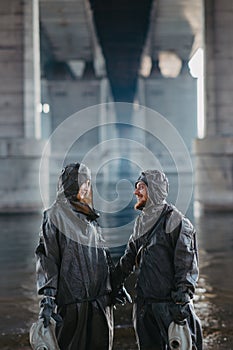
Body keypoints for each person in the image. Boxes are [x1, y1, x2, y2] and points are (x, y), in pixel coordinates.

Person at [112, 169, 203, 350]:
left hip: (168, 306)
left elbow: (186, 265)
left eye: (141, 187)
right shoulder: (141, 222)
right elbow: (129, 257)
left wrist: (182, 301)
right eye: (136, 187)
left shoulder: (176, 221)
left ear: (153, 190)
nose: (136, 192)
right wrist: (113, 283)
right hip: (145, 306)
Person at [36, 162, 116, 350]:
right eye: (83, 183)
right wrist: (48, 296)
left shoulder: (91, 217)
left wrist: (114, 286)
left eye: (87, 183)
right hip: (72, 303)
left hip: (99, 301)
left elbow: (102, 255)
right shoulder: (54, 216)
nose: (87, 187)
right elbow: (48, 258)